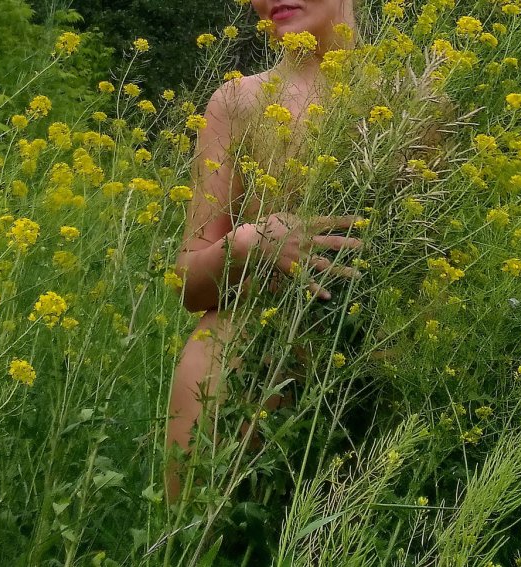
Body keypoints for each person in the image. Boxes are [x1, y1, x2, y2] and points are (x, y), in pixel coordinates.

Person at [165, 0, 366, 503]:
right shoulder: (236, 101)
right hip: (237, 377)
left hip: (369, 383)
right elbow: (189, 284)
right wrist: (246, 244)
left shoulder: (417, 94)